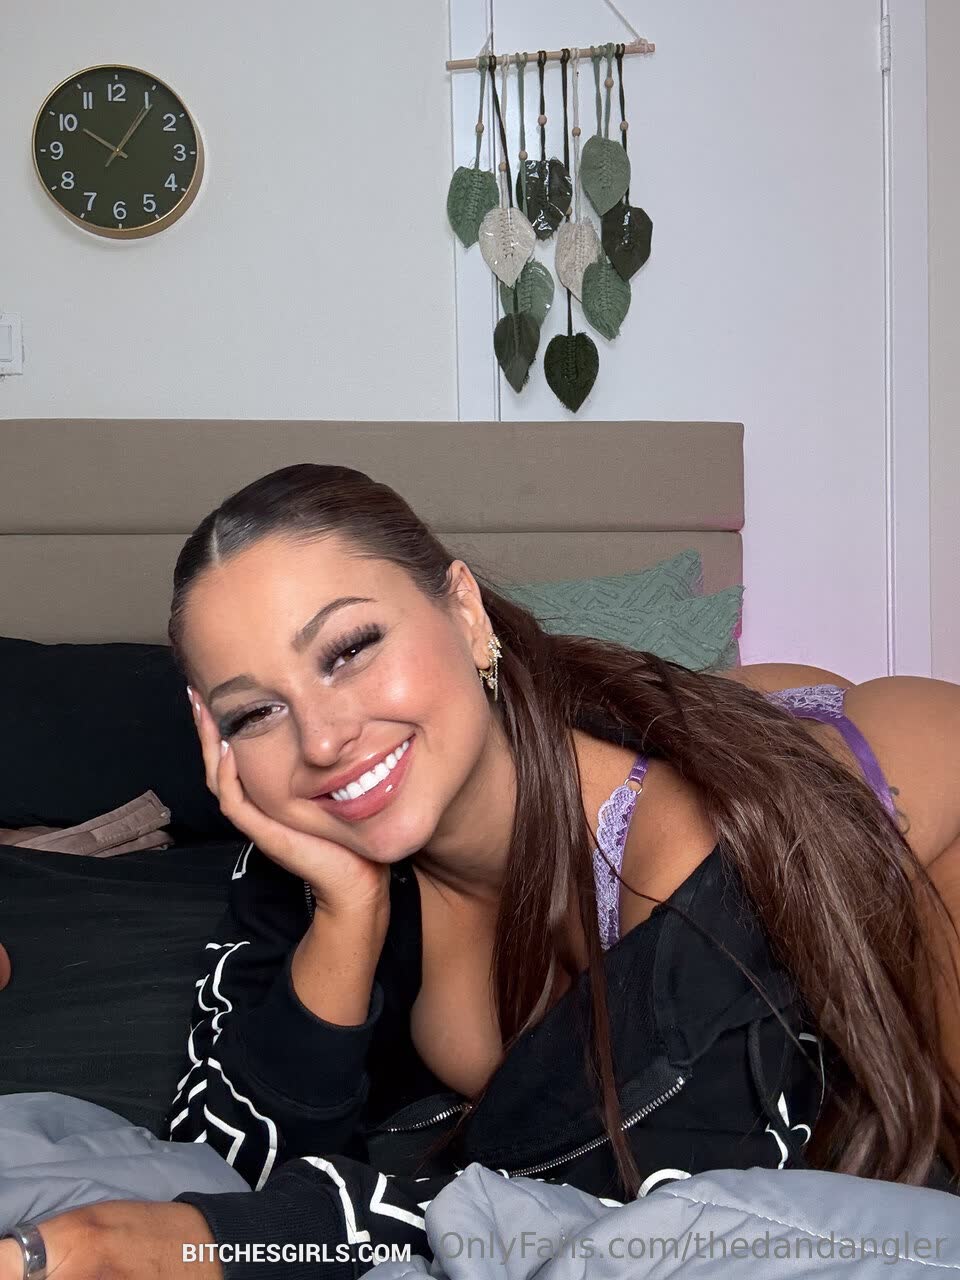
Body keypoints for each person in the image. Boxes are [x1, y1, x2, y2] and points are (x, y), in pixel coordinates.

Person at [4, 462, 960, 1280]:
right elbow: (219, 1157)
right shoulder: (309, 865)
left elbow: (634, 1222)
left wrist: (228, 1246)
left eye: (349, 650)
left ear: (465, 613)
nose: (324, 740)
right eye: (255, 712)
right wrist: (346, 917)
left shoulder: (698, 863)